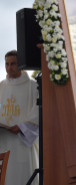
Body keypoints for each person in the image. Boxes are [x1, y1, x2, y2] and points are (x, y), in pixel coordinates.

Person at [0, 50, 39, 185]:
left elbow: (39, 111)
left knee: (23, 177)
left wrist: (23, 127)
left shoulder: (33, 86)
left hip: (22, 141)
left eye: (13, 64)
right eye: (6, 64)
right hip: (3, 141)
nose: (9, 68)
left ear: (20, 64)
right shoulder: (1, 86)